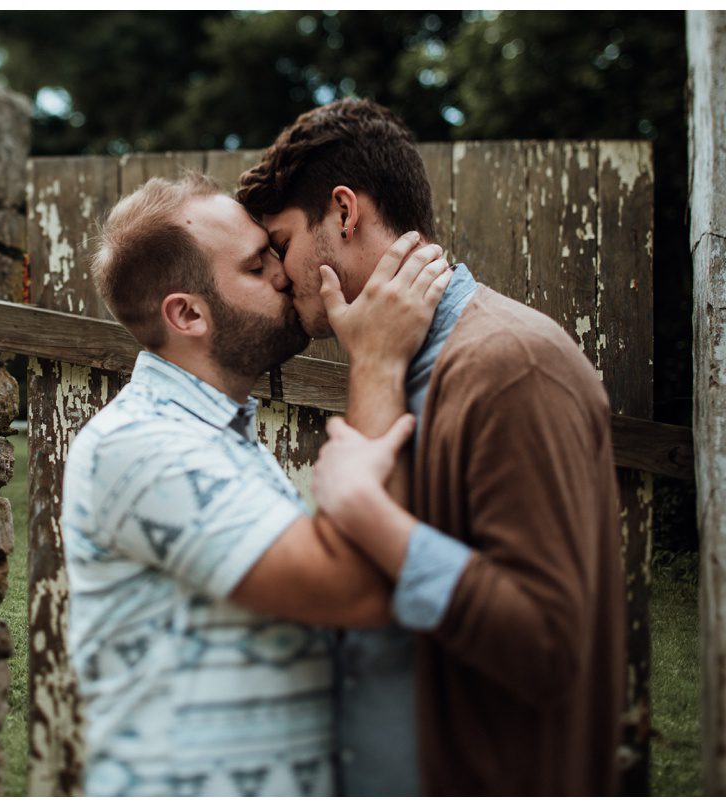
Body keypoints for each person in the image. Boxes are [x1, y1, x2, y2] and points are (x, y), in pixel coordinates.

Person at [236, 98, 626, 796]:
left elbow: (550, 644)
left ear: (344, 213)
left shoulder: (511, 365)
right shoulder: (388, 360)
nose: (279, 273)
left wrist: (370, 514)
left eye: (282, 242)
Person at [60, 172, 451, 796]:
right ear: (188, 314)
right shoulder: (143, 446)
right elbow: (355, 590)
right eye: (255, 265)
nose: (284, 273)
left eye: (273, 251)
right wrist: (377, 359)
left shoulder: (220, 436)